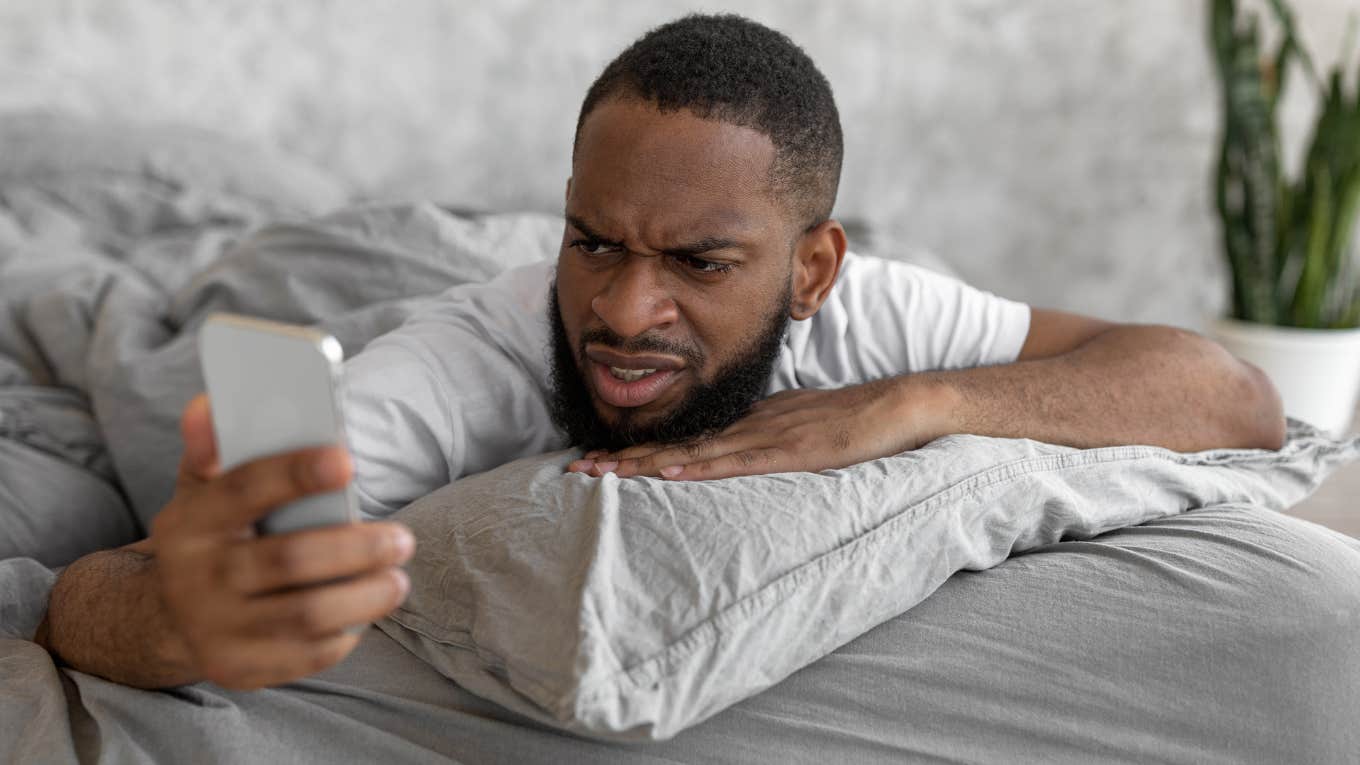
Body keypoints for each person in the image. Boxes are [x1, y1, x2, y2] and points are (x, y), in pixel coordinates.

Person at [34, 14, 1283, 692]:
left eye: (699, 263)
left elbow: (1225, 392)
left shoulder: (875, 317)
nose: (625, 311)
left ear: (812, 271)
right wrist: (175, 615)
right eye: (596, 241)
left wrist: (909, 404)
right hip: (384, 278)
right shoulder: (456, 365)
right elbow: (107, 588)